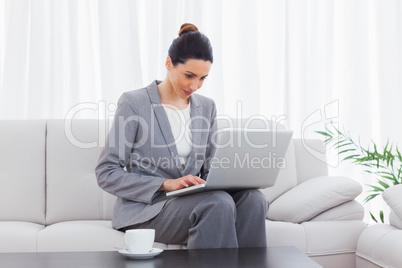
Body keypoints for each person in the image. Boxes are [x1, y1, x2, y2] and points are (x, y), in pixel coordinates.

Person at [95, 23, 269, 249]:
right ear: (169, 63)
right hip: (147, 209)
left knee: (253, 200)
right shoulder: (134, 103)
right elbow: (106, 172)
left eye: (203, 78)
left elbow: (210, 169)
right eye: (189, 75)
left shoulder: (207, 107)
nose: (195, 85)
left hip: (191, 202)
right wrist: (165, 184)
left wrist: (234, 178)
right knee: (217, 204)